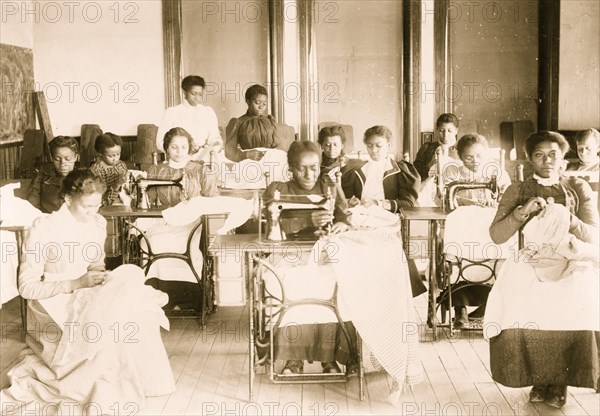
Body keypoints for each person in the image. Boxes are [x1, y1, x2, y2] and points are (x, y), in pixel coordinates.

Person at [0, 169, 175, 414]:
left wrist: (99, 273)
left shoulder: (97, 222)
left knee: (133, 288)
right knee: (109, 326)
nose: (93, 213)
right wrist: (76, 284)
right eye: (86, 207)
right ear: (68, 199)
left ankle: (143, 382)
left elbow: (94, 262)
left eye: (97, 206)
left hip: (85, 291)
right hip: (52, 300)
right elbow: (27, 287)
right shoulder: (44, 227)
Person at [484, 131, 599, 409]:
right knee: (518, 297)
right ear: (530, 159)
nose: (546, 160)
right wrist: (520, 213)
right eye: (539, 155)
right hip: (531, 259)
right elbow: (497, 235)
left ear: (563, 158)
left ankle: (560, 381)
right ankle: (539, 377)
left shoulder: (578, 187)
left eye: (553, 155)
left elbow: (593, 236)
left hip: (571, 260)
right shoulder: (518, 190)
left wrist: (568, 219)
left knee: (577, 297)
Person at [262, 140, 352, 374]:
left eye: (314, 167)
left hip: (321, 252)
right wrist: (306, 221)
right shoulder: (278, 189)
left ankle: (329, 359)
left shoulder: (329, 186)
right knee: (290, 283)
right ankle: (293, 359)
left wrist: (341, 225)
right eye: (301, 168)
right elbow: (272, 225)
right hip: (287, 252)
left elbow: (344, 215)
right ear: (291, 168)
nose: (308, 173)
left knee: (333, 282)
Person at [438, 134, 512, 328]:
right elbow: (445, 198)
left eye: (479, 156)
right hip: (463, 226)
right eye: (469, 157)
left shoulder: (495, 170)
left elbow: (508, 196)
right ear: (460, 157)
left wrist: (496, 201)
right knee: (459, 261)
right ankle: (459, 309)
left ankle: (488, 306)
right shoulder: (452, 171)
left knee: (498, 257)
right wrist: (465, 202)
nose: (475, 161)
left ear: (486, 154)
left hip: (490, 227)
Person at [142, 127, 218, 312]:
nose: (178, 151)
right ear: (166, 148)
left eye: (183, 147)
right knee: (151, 241)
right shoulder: (156, 170)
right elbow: (148, 202)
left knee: (189, 244)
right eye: (174, 147)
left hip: (193, 222)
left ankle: (189, 299)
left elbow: (212, 199)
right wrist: (140, 190)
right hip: (166, 220)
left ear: (189, 148)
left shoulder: (199, 169)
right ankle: (161, 300)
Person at [342, 125, 421, 213]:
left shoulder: (400, 170)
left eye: (379, 146)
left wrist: (378, 203)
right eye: (369, 146)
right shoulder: (356, 170)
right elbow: (345, 199)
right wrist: (351, 202)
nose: (374, 150)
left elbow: (408, 204)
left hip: (389, 218)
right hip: (360, 216)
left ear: (388, 146)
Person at [156, 75, 222, 163]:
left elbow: (215, 138)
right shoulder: (172, 112)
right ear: (184, 92)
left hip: (203, 156)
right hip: (179, 157)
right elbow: (161, 142)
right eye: (193, 94)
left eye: (200, 94)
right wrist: (181, 149)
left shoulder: (207, 112)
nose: (197, 98)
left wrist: (213, 145)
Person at [224, 84, 283, 162]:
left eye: (264, 104)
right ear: (248, 101)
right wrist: (246, 154)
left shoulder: (270, 121)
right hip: (248, 163)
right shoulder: (238, 122)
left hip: (270, 162)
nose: (261, 107)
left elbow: (278, 146)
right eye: (257, 102)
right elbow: (229, 150)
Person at [26, 136, 79, 213]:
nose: (62, 164)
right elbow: (32, 206)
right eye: (57, 159)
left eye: (67, 159)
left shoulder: (84, 178)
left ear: (75, 157)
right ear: (52, 158)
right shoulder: (42, 175)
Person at [413, 113, 460, 181]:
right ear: (437, 130)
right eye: (442, 131)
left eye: (450, 131)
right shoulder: (427, 148)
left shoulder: (462, 148)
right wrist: (430, 164)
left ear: (456, 131)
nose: (445, 135)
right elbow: (415, 174)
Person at [90, 132, 129, 206]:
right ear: (100, 154)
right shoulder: (95, 170)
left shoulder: (121, 164)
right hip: (106, 206)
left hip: (124, 201)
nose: (116, 159)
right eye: (111, 156)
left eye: (118, 154)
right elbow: (101, 200)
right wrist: (116, 184)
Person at [565, 128, 599, 194]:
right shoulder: (568, 168)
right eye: (580, 148)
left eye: (588, 148)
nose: (583, 152)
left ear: (598, 148)